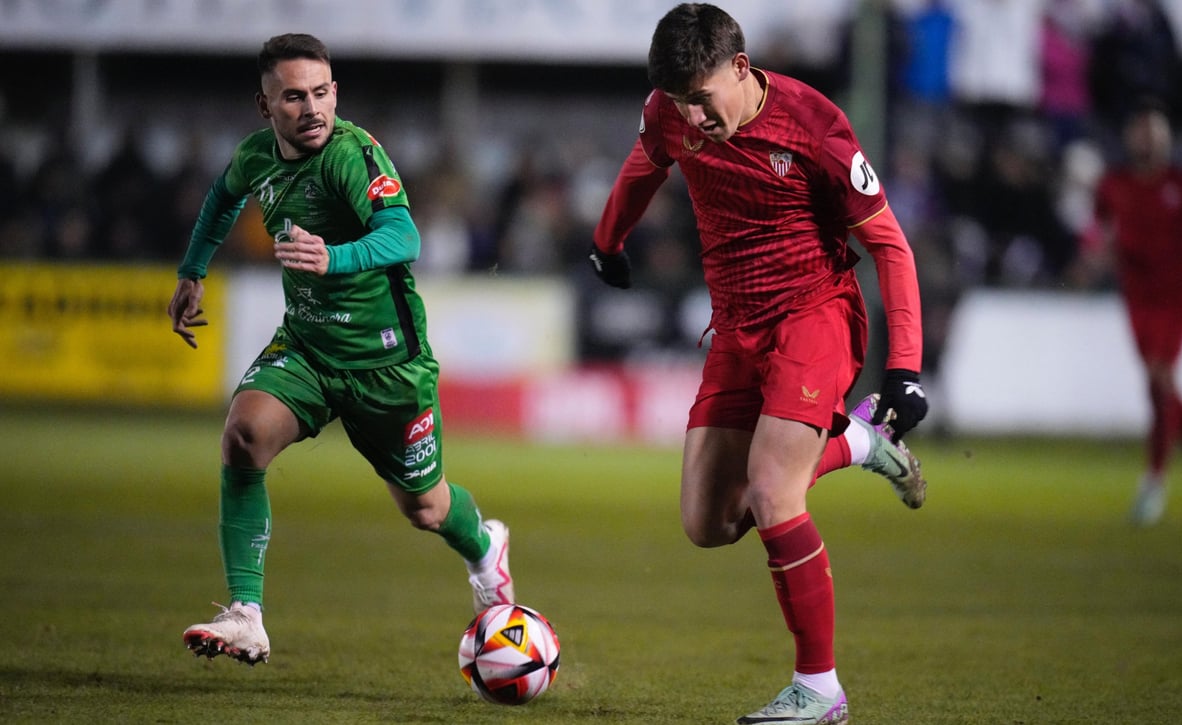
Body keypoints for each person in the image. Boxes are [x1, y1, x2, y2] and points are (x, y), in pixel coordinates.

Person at [588, 5, 929, 723]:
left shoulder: (816, 126)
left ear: (740, 68)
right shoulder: (669, 111)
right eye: (679, 101)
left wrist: (904, 367)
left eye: (701, 98)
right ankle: (859, 442)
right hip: (735, 329)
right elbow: (645, 165)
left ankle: (820, 688)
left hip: (815, 315)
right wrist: (608, 240)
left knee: (773, 491)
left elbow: (891, 247)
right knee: (709, 521)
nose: (693, 116)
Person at [167, 33, 514, 666]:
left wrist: (334, 257)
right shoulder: (256, 156)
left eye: (321, 92)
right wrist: (193, 270)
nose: (312, 109)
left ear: (335, 93)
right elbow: (222, 197)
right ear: (264, 106)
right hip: (307, 347)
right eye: (294, 97)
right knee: (244, 434)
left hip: (387, 365)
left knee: (426, 508)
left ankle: (485, 548)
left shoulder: (352, 157)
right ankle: (246, 614)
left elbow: (403, 235)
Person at [1076, 101, 1182, 526]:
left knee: (1161, 376)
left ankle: (1154, 481)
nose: (1148, 140)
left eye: (1155, 132)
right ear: (1131, 137)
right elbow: (1097, 226)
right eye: (1142, 131)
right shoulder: (1114, 184)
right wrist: (1093, 252)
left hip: (1180, 291)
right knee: (1156, 383)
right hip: (1137, 293)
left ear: (1166, 138)